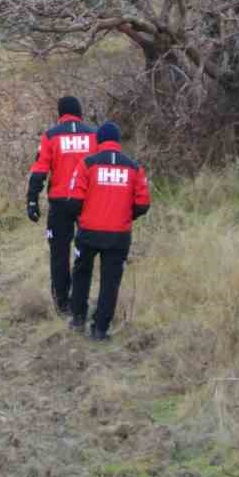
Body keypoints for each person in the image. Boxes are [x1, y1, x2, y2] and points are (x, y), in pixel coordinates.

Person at [65, 121, 151, 341]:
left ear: (99, 141)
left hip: (89, 232)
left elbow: (73, 200)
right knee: (110, 281)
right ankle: (100, 330)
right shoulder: (133, 167)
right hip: (119, 235)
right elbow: (143, 204)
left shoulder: (87, 164)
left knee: (82, 273)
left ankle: (77, 319)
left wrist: (82, 216)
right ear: (118, 142)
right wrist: (125, 215)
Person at [26, 96, 96, 316]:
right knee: (85, 253)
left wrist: (32, 199)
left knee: (59, 254)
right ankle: (80, 302)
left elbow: (40, 170)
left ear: (60, 114)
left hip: (60, 202)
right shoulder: (93, 135)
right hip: (87, 202)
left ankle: (62, 305)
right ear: (79, 112)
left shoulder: (51, 136)